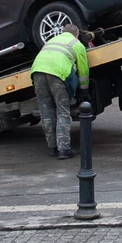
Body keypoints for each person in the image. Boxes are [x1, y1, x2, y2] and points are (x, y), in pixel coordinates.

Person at [30, 24, 90, 158]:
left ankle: (52, 147)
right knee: (62, 111)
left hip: (37, 73)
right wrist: (84, 90)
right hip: (58, 75)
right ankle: (64, 149)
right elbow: (83, 71)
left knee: (46, 112)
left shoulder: (51, 40)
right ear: (77, 34)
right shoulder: (77, 44)